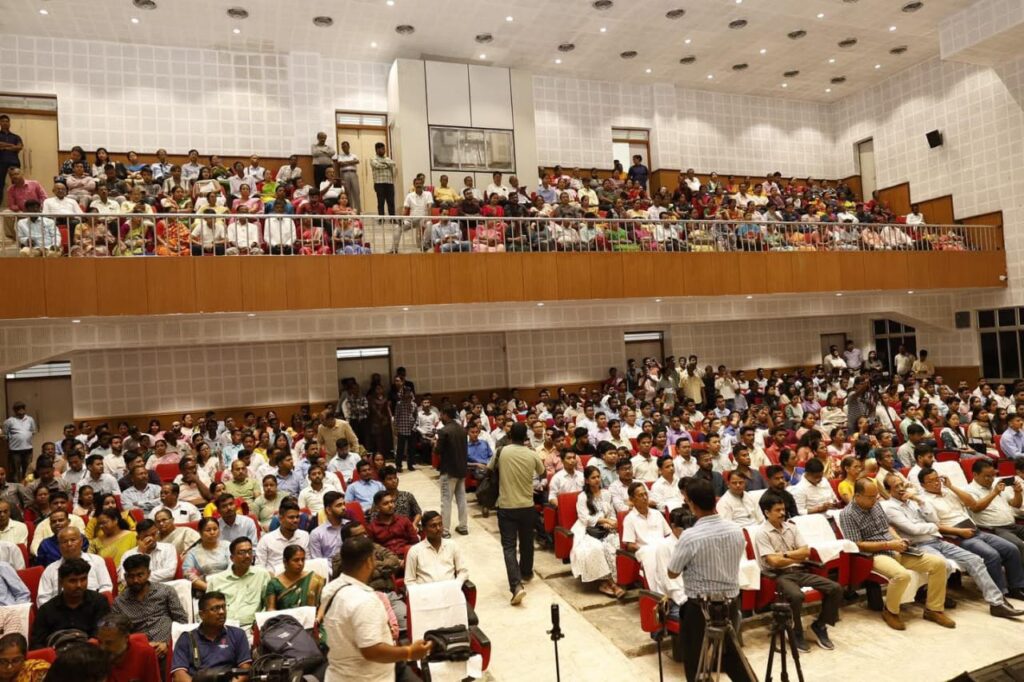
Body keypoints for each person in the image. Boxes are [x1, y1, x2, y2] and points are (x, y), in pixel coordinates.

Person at [881, 475, 1023, 618]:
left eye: (902, 484)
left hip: (936, 540)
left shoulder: (912, 501)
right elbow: (913, 529)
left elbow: (934, 519)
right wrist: (934, 526)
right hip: (919, 544)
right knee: (945, 565)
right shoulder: (889, 507)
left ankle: (997, 603)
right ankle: (928, 594)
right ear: (888, 490)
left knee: (975, 560)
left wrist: (919, 500)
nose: (901, 488)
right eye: (896, 486)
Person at [839, 478, 954, 630]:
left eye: (876, 496)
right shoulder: (847, 514)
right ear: (858, 496)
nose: (875, 500)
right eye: (871, 497)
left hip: (894, 547)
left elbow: (887, 527)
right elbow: (857, 545)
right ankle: (890, 612)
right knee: (901, 576)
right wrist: (889, 544)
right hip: (873, 555)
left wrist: (898, 539)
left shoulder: (876, 505)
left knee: (939, 564)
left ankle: (933, 609)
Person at [667, 478, 753, 682]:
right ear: (715, 500)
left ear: (691, 504)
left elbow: (672, 572)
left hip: (700, 607)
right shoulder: (736, 529)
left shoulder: (690, 536)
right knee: (732, 655)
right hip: (730, 602)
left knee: (694, 658)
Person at [322, 536, 432, 682]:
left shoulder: (329, 589)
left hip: (339, 674)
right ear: (369, 561)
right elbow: (371, 651)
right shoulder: (365, 600)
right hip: (368, 677)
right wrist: (410, 651)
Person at [754, 492, 843, 651]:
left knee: (835, 588)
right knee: (796, 596)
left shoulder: (791, 527)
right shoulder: (762, 533)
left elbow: (806, 552)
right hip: (779, 576)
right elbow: (774, 562)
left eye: (783, 509)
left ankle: (819, 625)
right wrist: (795, 556)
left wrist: (784, 555)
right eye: (777, 510)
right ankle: (796, 631)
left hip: (800, 571)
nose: (782, 513)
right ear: (767, 512)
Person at [488, 422, 544, 605]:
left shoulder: (501, 451)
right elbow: (542, 473)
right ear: (526, 437)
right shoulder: (532, 454)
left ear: (510, 435)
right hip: (527, 505)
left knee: (509, 547)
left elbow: (489, 469)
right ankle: (526, 572)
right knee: (527, 542)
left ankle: (516, 586)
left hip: (506, 506)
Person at [112, 554, 188, 659]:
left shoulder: (166, 591)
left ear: (148, 573)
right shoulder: (119, 603)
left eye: (140, 575)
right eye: (131, 576)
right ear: (125, 577)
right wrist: (142, 647)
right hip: (139, 652)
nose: (135, 580)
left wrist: (168, 643)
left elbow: (182, 621)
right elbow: (119, 635)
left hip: (169, 647)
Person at [170, 591, 252, 681]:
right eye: (216, 608)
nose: (221, 612)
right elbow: (179, 674)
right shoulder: (186, 638)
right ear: (202, 615)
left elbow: (245, 670)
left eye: (223, 607)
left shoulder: (237, 634)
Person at [31, 558, 110, 649]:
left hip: (91, 651)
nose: (79, 585)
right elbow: (37, 645)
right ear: (61, 582)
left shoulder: (99, 602)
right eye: (73, 581)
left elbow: (104, 633)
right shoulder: (46, 610)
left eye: (83, 579)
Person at [571, 465, 623, 598]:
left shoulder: (606, 493)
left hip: (606, 527)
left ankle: (618, 581)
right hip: (586, 529)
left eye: (598, 477)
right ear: (587, 480)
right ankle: (611, 584)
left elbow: (612, 513)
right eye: (593, 477)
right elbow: (584, 518)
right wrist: (603, 521)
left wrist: (611, 522)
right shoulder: (582, 496)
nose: (597, 480)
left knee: (616, 544)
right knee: (597, 548)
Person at [206, 538, 271, 635]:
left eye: (250, 552)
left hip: (251, 628)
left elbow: (268, 604)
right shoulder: (216, 580)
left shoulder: (262, 575)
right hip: (222, 628)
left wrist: (260, 621)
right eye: (242, 553)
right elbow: (207, 607)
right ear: (232, 558)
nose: (247, 556)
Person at [37, 527, 112, 606]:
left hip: (93, 607)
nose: (69, 544)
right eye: (65, 541)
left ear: (81, 542)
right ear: (59, 546)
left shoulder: (97, 561)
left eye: (73, 540)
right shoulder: (50, 570)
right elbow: (43, 599)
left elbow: (106, 588)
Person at [964, 459, 1024, 556]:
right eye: (987, 476)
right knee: (1018, 544)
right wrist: (995, 493)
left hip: (1012, 525)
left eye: (993, 475)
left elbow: (1016, 504)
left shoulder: (995, 485)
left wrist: (1017, 493)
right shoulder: (968, 490)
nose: (991, 479)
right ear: (975, 475)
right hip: (994, 529)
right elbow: (976, 508)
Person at [622, 482, 673, 592]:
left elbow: (669, 534)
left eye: (646, 494)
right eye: (640, 495)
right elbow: (630, 545)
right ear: (632, 499)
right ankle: (657, 592)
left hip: (662, 547)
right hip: (645, 550)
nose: (645, 498)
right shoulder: (629, 519)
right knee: (652, 554)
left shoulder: (657, 514)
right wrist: (646, 549)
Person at [404, 510, 468, 586]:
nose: (438, 528)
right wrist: (420, 592)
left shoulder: (452, 545)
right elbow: (409, 581)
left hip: (450, 590)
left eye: (440, 524)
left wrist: (456, 584)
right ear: (424, 529)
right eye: (433, 526)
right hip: (426, 592)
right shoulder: (415, 551)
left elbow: (463, 571)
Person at [95, 613, 162, 682]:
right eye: (100, 642)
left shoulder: (145, 653)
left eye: (109, 643)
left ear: (126, 638)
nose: (102, 648)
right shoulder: (93, 650)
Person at [435, 406, 468, 537]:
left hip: (448, 470)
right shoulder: (462, 429)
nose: (440, 417)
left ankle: (445, 531)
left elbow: (438, 451)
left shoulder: (444, 431)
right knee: (462, 499)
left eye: (441, 415)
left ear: (445, 415)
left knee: (446, 501)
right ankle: (463, 527)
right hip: (461, 469)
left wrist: (434, 443)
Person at [264, 545, 325, 610]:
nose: (300, 563)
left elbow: (322, 605)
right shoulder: (274, 583)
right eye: (296, 560)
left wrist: (317, 616)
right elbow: (271, 609)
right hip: (284, 616)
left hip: (311, 616)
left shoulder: (314, 579)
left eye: (303, 560)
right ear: (285, 562)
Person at [117, 518, 176, 584]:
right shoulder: (128, 555)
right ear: (138, 538)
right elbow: (124, 579)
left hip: (165, 586)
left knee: (183, 583)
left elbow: (170, 573)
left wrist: (142, 577)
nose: (151, 539)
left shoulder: (168, 548)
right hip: (139, 588)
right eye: (146, 536)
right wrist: (140, 554)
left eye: (154, 534)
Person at [255, 499, 309, 570]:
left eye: (297, 517)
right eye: (291, 517)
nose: (295, 520)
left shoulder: (304, 536)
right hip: (273, 575)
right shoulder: (266, 540)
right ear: (280, 519)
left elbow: (308, 562)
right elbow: (259, 567)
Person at [183, 517, 231, 592]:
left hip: (229, 582)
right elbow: (188, 574)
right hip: (206, 587)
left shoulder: (227, 545)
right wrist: (208, 588)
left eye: (215, 529)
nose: (212, 532)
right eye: (208, 530)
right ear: (200, 532)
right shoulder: (193, 552)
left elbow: (234, 566)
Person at [366, 490, 418, 558]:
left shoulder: (404, 521)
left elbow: (415, 542)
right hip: (387, 559)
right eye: (385, 503)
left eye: (392, 502)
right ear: (377, 508)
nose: (391, 505)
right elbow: (372, 550)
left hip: (408, 556)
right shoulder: (372, 528)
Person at [1, 403, 36, 483]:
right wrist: (15, 440)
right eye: (18, 409)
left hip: (28, 449)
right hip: (15, 450)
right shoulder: (9, 421)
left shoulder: (30, 419)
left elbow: (33, 431)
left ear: (25, 409)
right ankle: (17, 486)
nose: (20, 410)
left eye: (22, 408)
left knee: (28, 470)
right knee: (15, 471)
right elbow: (4, 436)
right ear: (14, 410)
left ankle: (27, 486)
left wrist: (25, 437)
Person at [369, 141, 397, 217]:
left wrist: (384, 163)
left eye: (384, 149)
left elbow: (393, 163)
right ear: (377, 150)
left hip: (389, 183)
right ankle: (381, 219)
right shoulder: (373, 159)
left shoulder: (387, 158)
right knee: (381, 202)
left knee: (391, 202)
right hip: (379, 183)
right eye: (382, 149)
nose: (384, 151)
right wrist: (387, 165)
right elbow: (377, 165)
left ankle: (393, 218)